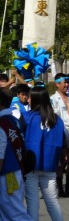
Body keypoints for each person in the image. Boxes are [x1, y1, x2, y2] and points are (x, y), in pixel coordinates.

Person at [23, 86, 65, 221]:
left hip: (30, 164)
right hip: (50, 164)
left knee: (32, 202)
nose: (28, 100)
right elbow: (62, 142)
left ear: (35, 99)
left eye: (30, 97)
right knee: (52, 202)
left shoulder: (27, 117)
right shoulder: (57, 120)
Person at [0, 90, 33, 220]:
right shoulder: (13, 120)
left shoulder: (2, 124)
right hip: (15, 171)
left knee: (14, 213)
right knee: (7, 213)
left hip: (7, 175)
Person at [50, 73, 69, 197]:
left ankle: (68, 187)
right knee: (61, 161)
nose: (67, 85)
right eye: (64, 83)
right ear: (57, 84)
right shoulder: (53, 99)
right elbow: (54, 117)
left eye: (68, 82)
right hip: (62, 132)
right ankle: (60, 188)